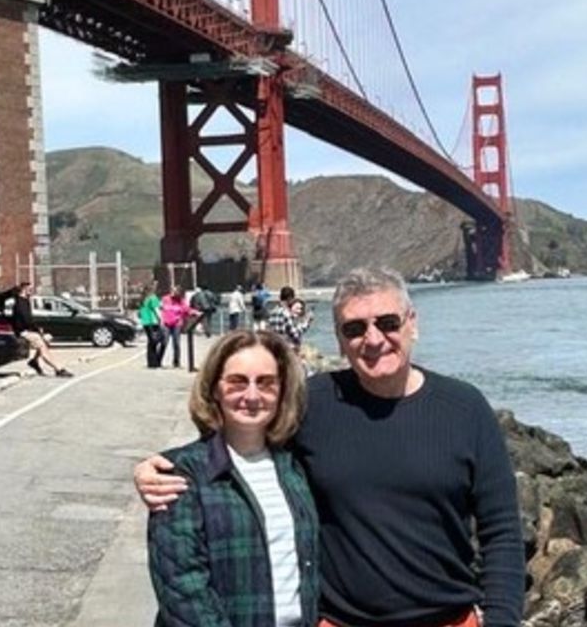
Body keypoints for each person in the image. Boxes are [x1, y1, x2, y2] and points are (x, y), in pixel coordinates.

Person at [137, 267, 524, 627]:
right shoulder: (313, 403)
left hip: (450, 620)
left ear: (412, 324)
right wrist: (161, 469)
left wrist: (501, 620)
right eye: (354, 328)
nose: (373, 339)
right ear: (339, 339)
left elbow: (502, 530)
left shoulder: (465, 407)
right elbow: (242, 434)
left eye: (388, 323)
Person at [148, 330, 318, 627]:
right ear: (215, 388)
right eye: (237, 381)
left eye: (266, 383)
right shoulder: (183, 472)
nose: (252, 395)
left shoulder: (295, 466)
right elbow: (182, 588)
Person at [10, 283, 72, 378]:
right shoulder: (20, 303)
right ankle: (59, 369)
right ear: (24, 290)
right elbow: (27, 321)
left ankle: (34, 361)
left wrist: (38, 330)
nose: (31, 291)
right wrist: (38, 331)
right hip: (24, 332)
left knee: (47, 339)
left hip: (29, 330)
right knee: (44, 349)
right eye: (30, 289)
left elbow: (29, 320)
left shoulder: (25, 301)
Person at [161, 287, 192, 369]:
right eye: (173, 291)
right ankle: (158, 360)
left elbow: (187, 310)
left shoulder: (181, 301)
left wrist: (196, 312)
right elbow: (160, 309)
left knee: (176, 343)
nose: (173, 294)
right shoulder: (165, 299)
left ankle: (176, 362)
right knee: (164, 342)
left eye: (176, 292)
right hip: (166, 323)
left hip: (177, 324)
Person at [139, 285, 166, 369]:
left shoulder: (143, 299)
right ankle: (155, 362)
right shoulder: (153, 298)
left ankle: (151, 362)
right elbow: (156, 310)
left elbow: (140, 313)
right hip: (153, 322)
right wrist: (161, 320)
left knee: (151, 343)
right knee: (160, 341)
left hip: (145, 322)